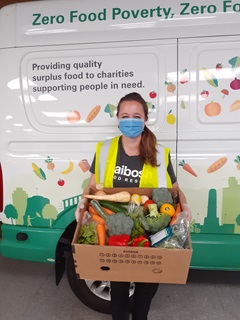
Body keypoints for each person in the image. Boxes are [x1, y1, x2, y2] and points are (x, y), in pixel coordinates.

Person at [75, 92, 180, 320]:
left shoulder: (160, 152)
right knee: (119, 294)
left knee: (145, 294)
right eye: (125, 116)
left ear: (145, 119)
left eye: (136, 116)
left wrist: (186, 209)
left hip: (151, 235)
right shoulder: (104, 149)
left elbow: (174, 190)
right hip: (117, 233)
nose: (130, 120)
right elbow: (92, 188)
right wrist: (82, 205)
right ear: (118, 119)